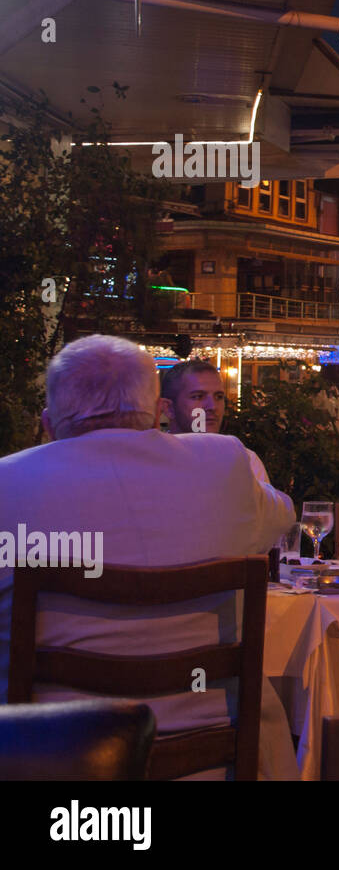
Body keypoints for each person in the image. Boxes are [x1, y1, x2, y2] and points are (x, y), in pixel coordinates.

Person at [0, 334, 297, 779]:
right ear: (157, 410)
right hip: (218, 757)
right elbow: (284, 516)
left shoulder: (8, 484)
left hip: (51, 759)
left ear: (46, 424)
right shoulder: (224, 463)